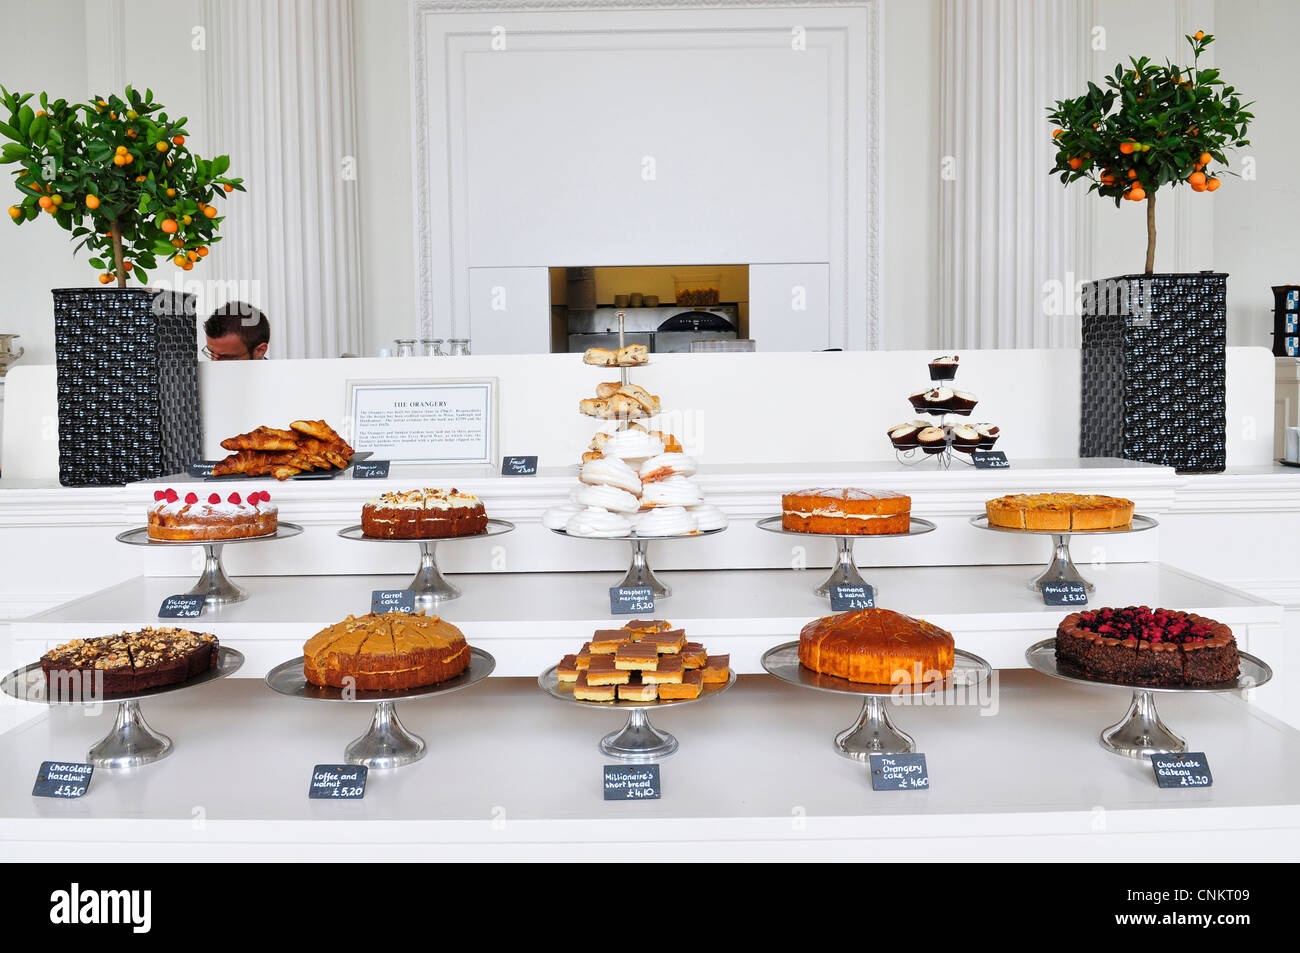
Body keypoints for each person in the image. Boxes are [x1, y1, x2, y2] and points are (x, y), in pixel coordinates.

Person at [202, 302, 270, 360]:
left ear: (260, 351)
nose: (214, 363)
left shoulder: (278, 375)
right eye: (211, 352)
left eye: (226, 357)